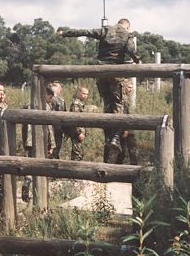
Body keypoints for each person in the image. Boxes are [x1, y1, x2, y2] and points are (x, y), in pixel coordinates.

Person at [59, 18, 140, 163]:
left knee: (107, 106)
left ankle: (109, 138)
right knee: (119, 108)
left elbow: (85, 32)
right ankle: (115, 139)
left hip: (101, 74)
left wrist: (65, 33)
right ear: (127, 26)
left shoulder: (106, 29)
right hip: (116, 75)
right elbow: (131, 50)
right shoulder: (127, 34)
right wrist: (137, 60)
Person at [21, 86, 56, 202]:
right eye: (50, 97)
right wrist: (52, 144)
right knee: (43, 166)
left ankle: (26, 184)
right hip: (42, 142)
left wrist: (25, 141)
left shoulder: (27, 105)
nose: (50, 100)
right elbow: (49, 128)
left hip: (29, 142)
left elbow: (23, 127)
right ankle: (43, 192)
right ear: (45, 95)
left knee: (29, 165)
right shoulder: (46, 107)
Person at [117, 80, 138, 165]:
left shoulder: (126, 97)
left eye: (131, 88)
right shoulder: (122, 98)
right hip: (124, 127)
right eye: (129, 87)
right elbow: (123, 113)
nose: (131, 90)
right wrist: (125, 129)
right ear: (124, 87)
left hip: (127, 126)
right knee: (125, 149)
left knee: (131, 148)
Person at [69, 86, 89, 161]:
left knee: (80, 153)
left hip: (81, 133)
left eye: (86, 94)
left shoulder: (80, 103)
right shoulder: (76, 104)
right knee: (76, 153)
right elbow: (75, 119)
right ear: (78, 93)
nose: (85, 96)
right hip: (76, 133)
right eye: (83, 93)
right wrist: (79, 133)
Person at [50, 81, 67, 159]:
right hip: (55, 128)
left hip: (57, 129)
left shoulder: (60, 100)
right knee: (54, 148)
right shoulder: (58, 100)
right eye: (59, 88)